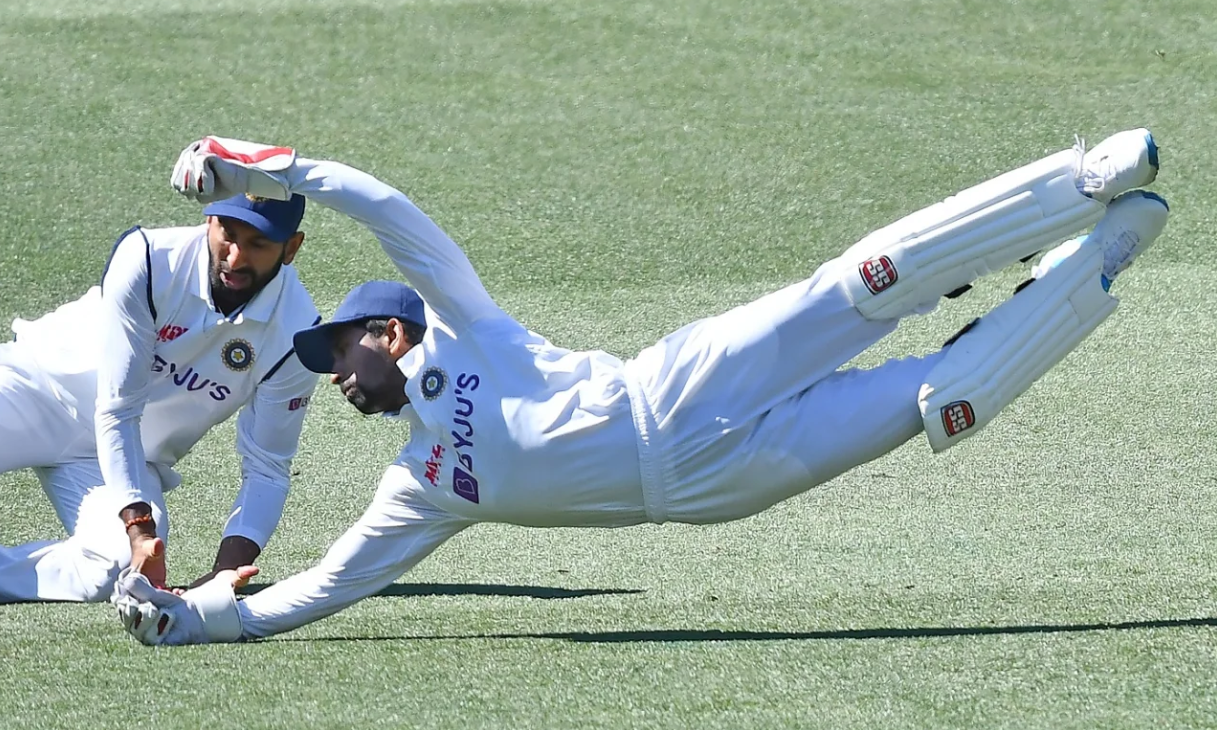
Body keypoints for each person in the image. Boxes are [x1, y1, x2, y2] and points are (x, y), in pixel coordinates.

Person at [112, 129, 1167, 644]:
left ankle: (1078, 183)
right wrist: (191, 621)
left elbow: (380, 202)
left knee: (864, 285)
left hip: (676, 384)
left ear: (389, 329)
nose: (337, 379)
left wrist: (250, 171)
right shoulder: (419, 486)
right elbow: (320, 587)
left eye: (340, 353)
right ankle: (1098, 265)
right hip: (711, 486)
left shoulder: (465, 318)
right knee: (935, 398)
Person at [0, 139, 321, 602]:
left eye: (259, 244)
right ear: (208, 219)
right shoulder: (149, 258)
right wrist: (137, 523)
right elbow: (118, 407)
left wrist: (225, 573)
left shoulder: (296, 334)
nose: (235, 257)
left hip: (123, 456)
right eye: (228, 232)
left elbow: (268, 467)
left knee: (116, 569)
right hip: (41, 387)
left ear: (291, 248)